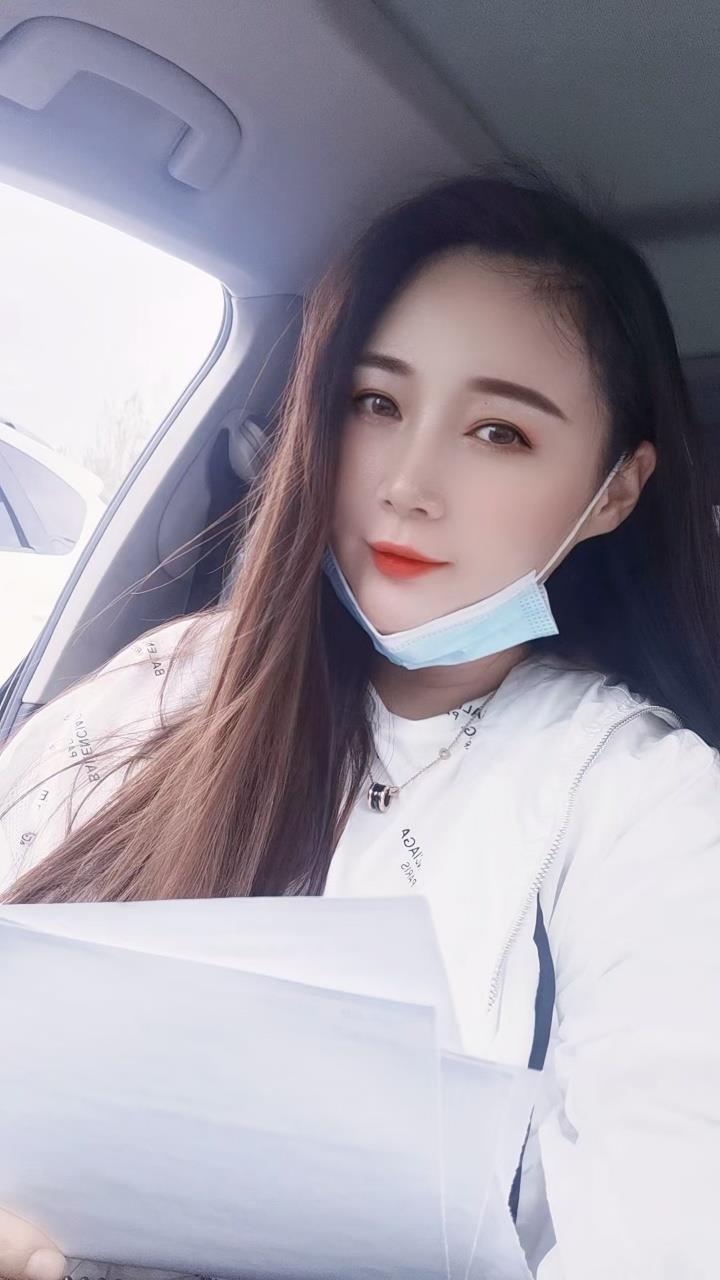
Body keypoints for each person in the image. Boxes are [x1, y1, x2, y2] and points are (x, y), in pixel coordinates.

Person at [1, 160, 719, 1280]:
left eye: (500, 432)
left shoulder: (644, 805)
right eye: (375, 404)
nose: (407, 484)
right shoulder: (161, 689)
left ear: (615, 491)